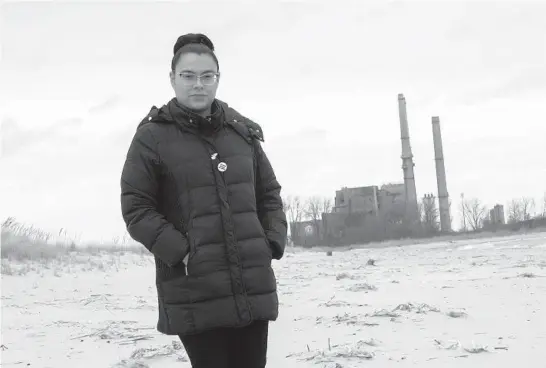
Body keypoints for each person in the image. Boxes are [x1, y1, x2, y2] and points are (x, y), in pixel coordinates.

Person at [120, 33, 287, 368]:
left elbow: (268, 193)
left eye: (207, 76)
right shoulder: (152, 137)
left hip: (250, 281)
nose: (198, 85)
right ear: (172, 79)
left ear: (217, 79)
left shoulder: (241, 132)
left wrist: (269, 242)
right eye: (188, 76)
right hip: (193, 285)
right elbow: (136, 206)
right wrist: (182, 252)